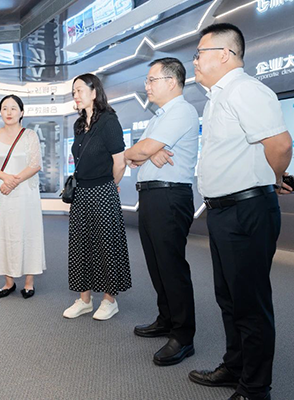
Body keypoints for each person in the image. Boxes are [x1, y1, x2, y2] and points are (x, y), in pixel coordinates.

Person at [187, 23, 293, 400]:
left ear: (224, 55)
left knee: (250, 304)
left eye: (199, 53)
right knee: (229, 299)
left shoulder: (245, 90)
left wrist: (274, 178)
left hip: (246, 210)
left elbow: (280, 145)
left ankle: (255, 388)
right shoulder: (219, 96)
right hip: (224, 211)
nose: (194, 61)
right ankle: (235, 368)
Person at [124, 58, 199, 366]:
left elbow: (138, 152)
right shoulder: (159, 116)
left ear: (172, 82)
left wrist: (144, 151)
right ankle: (166, 319)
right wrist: (143, 152)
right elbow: (136, 156)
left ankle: (183, 336)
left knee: (171, 266)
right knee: (156, 264)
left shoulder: (182, 111)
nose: (147, 86)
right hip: (152, 196)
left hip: (170, 196)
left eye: (151, 80)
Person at [62, 73, 131, 321]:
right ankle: (84, 300)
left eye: (80, 90)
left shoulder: (109, 121)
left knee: (106, 245)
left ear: (94, 92)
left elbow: (119, 163)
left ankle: (110, 300)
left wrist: (111, 185)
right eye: (73, 91)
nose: (76, 95)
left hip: (103, 191)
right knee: (81, 246)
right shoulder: (79, 124)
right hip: (81, 192)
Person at [0, 95, 46, 299]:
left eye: (13, 108)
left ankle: (29, 282)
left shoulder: (30, 136)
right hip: (2, 193)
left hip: (26, 193)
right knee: (4, 235)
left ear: (21, 112)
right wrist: (6, 178)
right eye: (4, 108)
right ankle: (8, 281)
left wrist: (13, 181)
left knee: (28, 233)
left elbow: (35, 164)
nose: (8, 112)